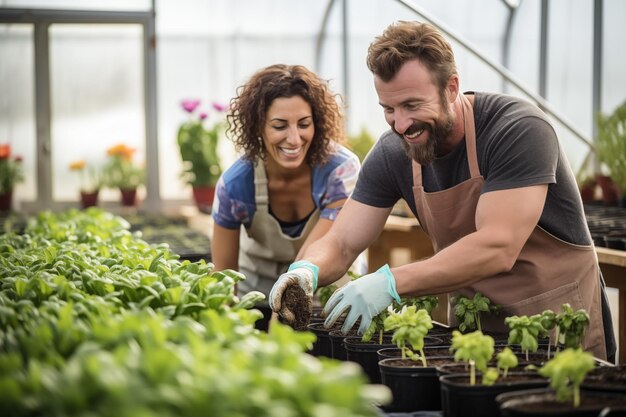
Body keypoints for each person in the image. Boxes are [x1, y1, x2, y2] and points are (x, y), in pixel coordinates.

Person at [268, 21, 616, 361]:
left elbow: (497, 245)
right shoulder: (394, 152)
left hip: (559, 329)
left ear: (451, 88)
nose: (401, 124)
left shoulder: (518, 130)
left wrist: (389, 283)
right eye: (388, 109)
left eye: (412, 105)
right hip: (475, 335)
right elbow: (342, 242)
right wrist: (307, 270)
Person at [211, 64, 365, 330]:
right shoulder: (236, 184)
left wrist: (279, 324)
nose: (294, 139)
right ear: (258, 126)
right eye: (280, 126)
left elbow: (314, 255)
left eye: (304, 124)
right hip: (259, 286)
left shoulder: (340, 171)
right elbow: (223, 278)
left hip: (327, 285)